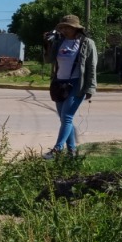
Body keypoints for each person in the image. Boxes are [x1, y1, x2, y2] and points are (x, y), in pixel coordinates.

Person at [45, 14, 96, 158]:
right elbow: (48, 60)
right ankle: (72, 151)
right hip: (59, 84)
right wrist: (47, 44)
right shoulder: (59, 42)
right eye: (62, 27)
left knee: (67, 116)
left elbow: (92, 67)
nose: (64, 30)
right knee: (63, 119)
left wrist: (90, 88)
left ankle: (58, 149)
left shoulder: (86, 43)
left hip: (76, 84)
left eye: (67, 27)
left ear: (76, 28)